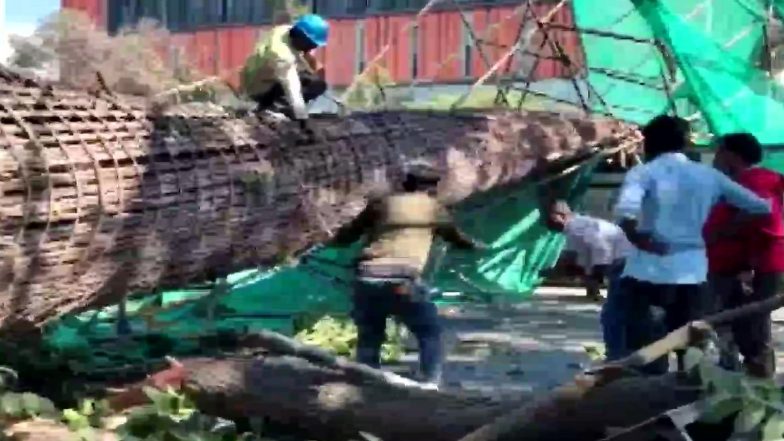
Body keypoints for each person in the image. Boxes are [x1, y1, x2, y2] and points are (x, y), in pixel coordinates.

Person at [614, 115, 771, 375]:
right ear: (684, 143)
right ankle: (688, 404)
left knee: (646, 347)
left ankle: (650, 401)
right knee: (691, 350)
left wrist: (640, 239)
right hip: (692, 270)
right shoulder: (708, 176)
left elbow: (626, 213)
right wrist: (722, 232)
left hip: (647, 270)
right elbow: (760, 207)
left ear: (650, 142)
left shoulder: (643, 172)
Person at [329, 160, 486, 389]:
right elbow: (456, 238)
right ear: (434, 187)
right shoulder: (434, 208)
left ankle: (365, 384)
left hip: (367, 276)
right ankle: (430, 383)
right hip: (404, 279)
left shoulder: (381, 204)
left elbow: (346, 237)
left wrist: (329, 237)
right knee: (429, 332)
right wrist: (476, 246)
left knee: (370, 335)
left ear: (404, 183)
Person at [704, 132, 784, 378]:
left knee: (752, 324)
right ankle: (747, 374)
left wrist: (723, 233)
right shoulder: (747, 179)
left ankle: (759, 378)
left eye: (718, 152)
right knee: (741, 322)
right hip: (745, 264)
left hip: (758, 264)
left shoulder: (755, 180)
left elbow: (764, 212)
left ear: (731, 155)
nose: (715, 159)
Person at [545, 200, 632, 361]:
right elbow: (585, 253)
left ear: (562, 215)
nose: (548, 222)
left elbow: (600, 248)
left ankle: (618, 354)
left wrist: (595, 274)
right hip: (618, 258)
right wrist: (588, 273)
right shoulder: (573, 228)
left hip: (621, 259)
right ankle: (618, 351)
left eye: (551, 217)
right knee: (615, 311)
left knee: (615, 312)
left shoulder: (579, 226)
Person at [241, 14, 329, 126]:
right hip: (259, 88)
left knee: (312, 79)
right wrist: (303, 119)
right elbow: (293, 88)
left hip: (257, 76)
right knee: (316, 85)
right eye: (311, 45)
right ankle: (273, 108)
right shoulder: (282, 56)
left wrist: (311, 64)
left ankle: (279, 107)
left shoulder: (284, 31)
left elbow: (299, 57)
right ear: (302, 38)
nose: (312, 48)